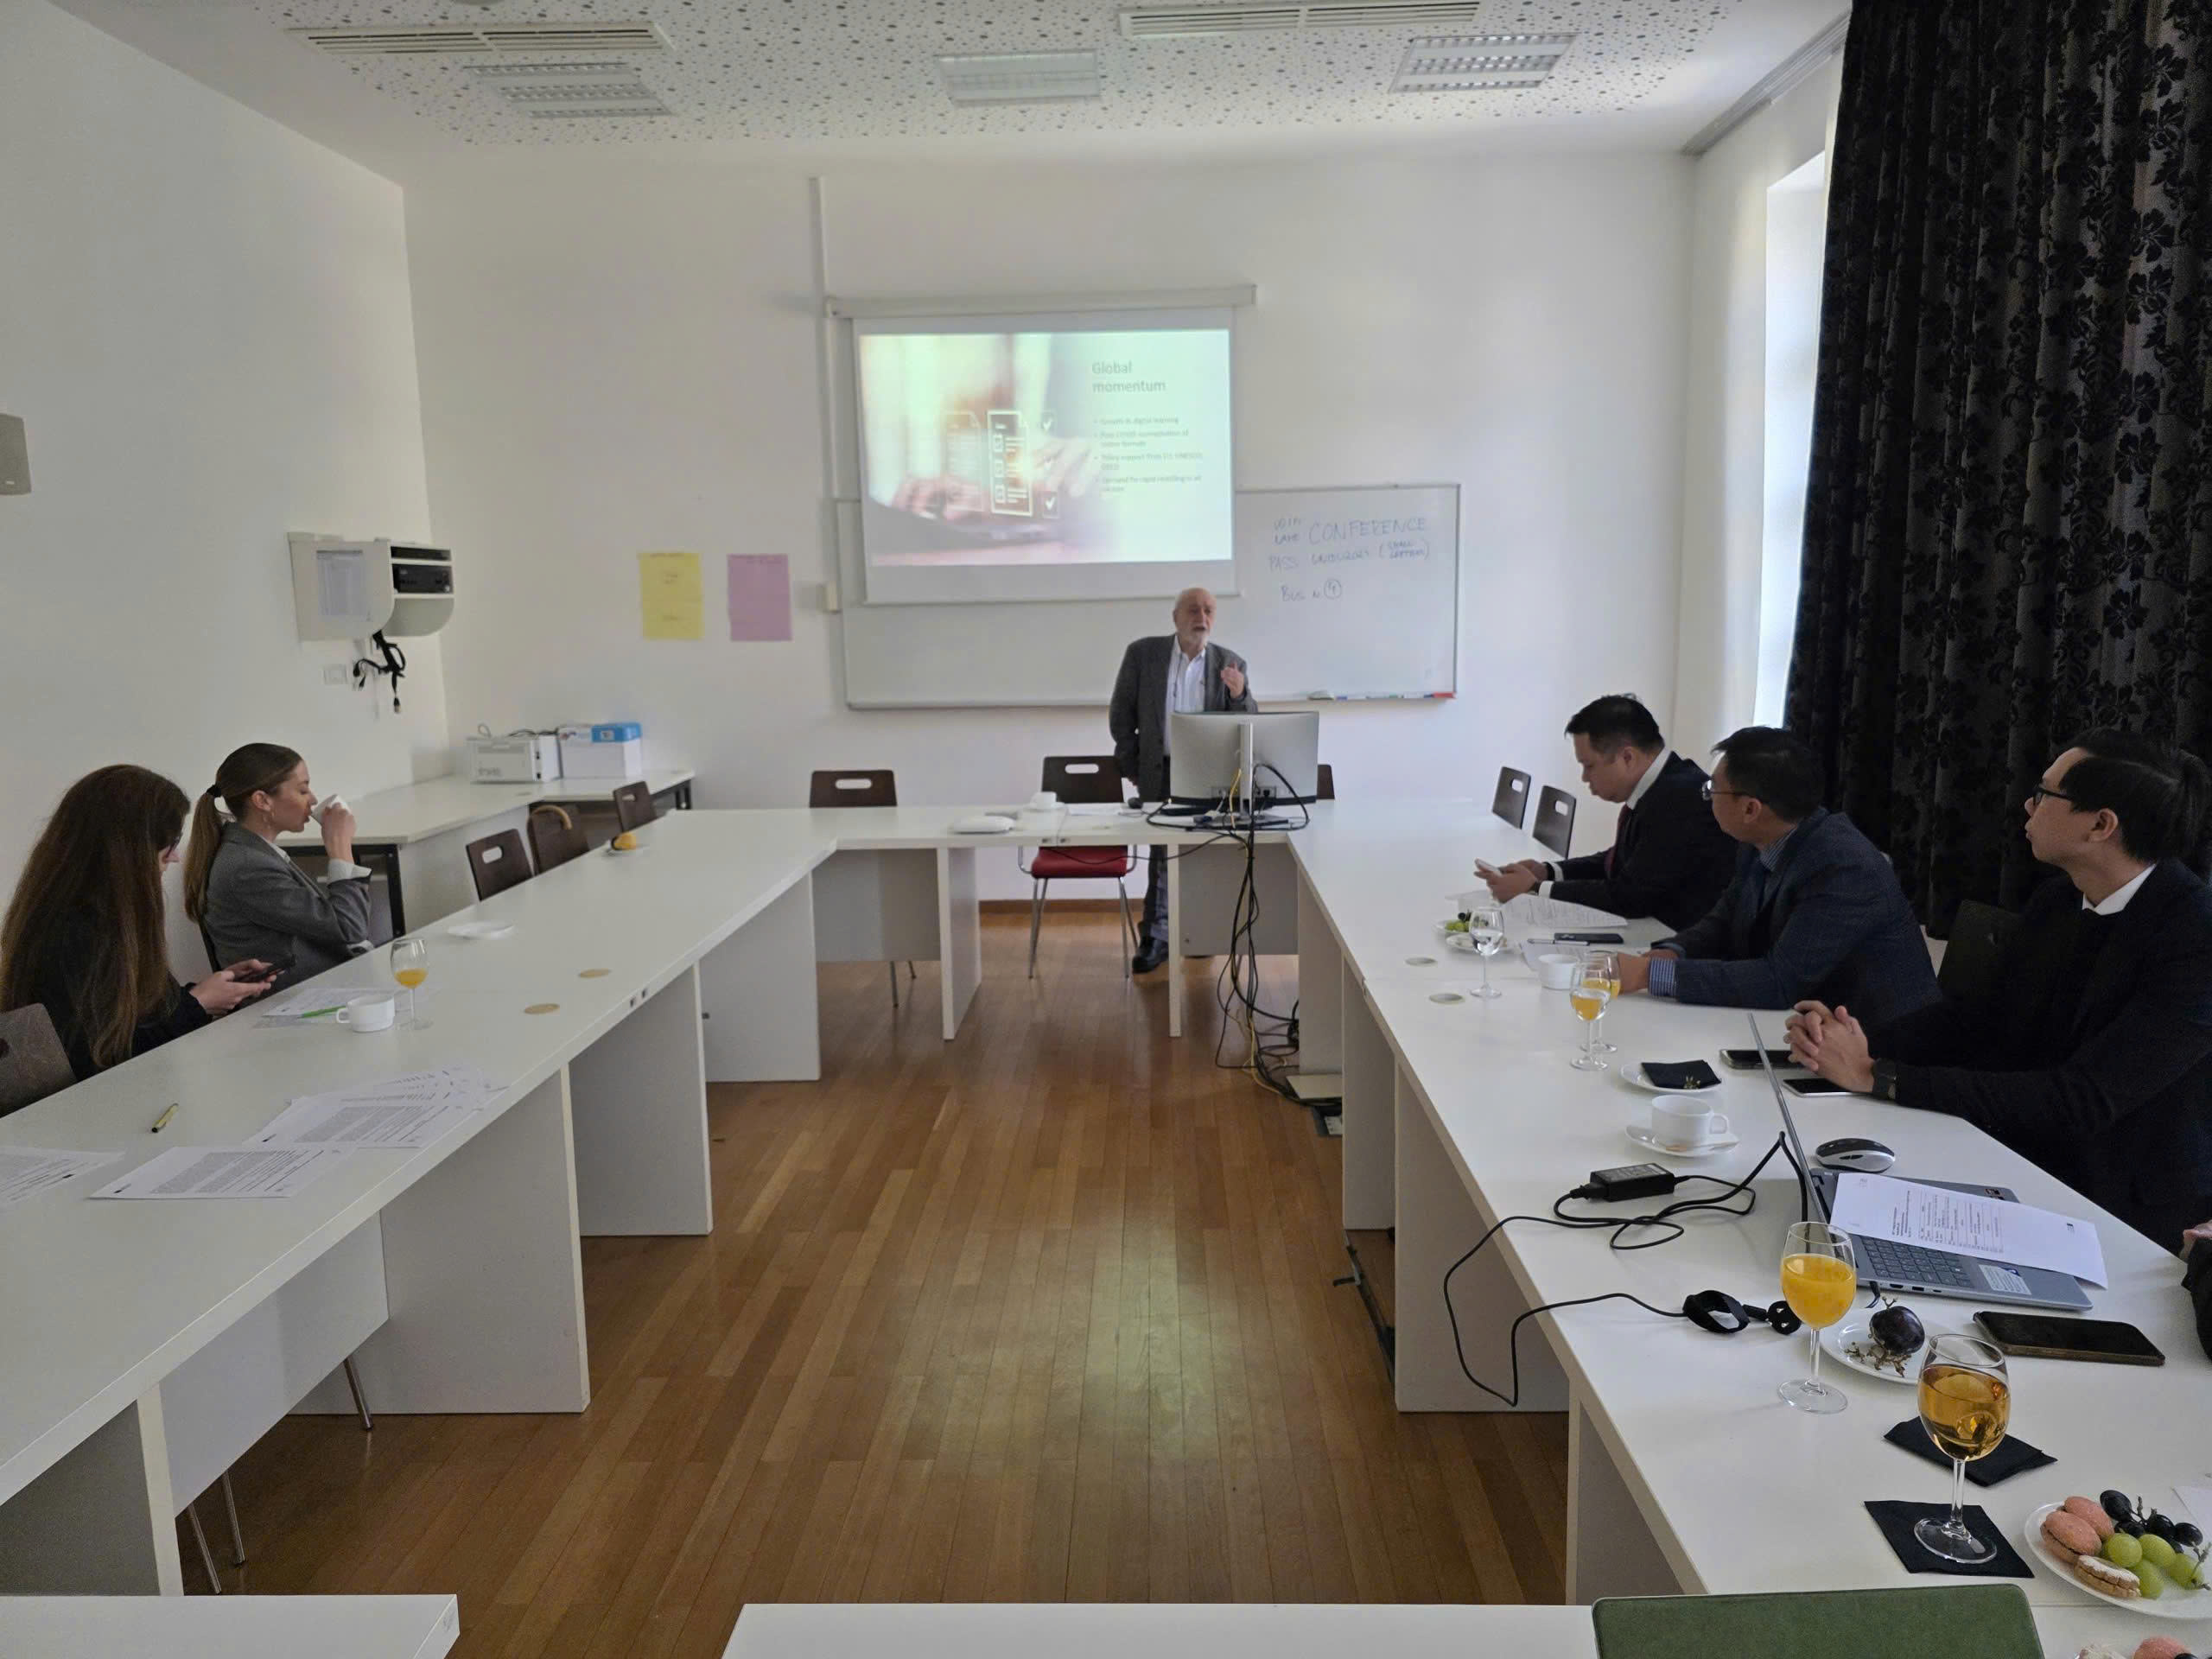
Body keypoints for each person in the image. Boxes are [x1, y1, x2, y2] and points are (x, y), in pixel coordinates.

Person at [1787, 731, 2212, 1252]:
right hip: (2017, 1154)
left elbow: (2084, 1099)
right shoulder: (2058, 901)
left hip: (2120, 1207)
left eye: (2045, 793)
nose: (2028, 805)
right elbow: (1975, 1020)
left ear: (2101, 825)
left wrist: (1879, 1076)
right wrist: (1849, 1039)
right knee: (1816, 1212)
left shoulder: (2195, 936)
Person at [1614, 725, 1939, 1027]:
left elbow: (1780, 982)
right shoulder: (1762, 838)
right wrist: (1674, 952)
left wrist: (1649, 974)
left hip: (1877, 1043)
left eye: (1713, 789)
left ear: (1750, 809)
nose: (1708, 796)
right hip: (1803, 1026)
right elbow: (1724, 920)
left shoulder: (1843, 866)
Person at [0, 766, 271, 1080]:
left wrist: (204, 994)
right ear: (131, 848)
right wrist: (198, 1004)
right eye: (170, 843)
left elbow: (138, 1016)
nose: (175, 857)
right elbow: (107, 1056)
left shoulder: (98, 915)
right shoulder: (75, 930)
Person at [1479, 695, 1736, 929]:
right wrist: (1548, 871)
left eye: (1589, 766)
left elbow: (1630, 896)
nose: (1584, 777)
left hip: (1676, 938)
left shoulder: (1679, 798)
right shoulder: (1663, 782)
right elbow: (1620, 860)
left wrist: (1536, 889)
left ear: (1627, 758)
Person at [1109, 587, 1255, 973]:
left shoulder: (1231, 663)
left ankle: (1197, 933)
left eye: (1208, 611)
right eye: (1193, 610)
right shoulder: (1143, 654)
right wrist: (1133, 766)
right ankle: (1155, 938)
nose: (1201, 618)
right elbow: (1121, 714)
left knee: (1203, 852)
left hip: (1209, 775)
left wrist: (1239, 695)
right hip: (1159, 769)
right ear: (1175, 617)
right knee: (1162, 854)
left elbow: (1248, 721)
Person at [184, 744, 374, 988]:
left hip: (317, 984)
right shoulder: (247, 868)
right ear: (262, 800)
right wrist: (340, 847)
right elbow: (349, 928)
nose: (313, 799)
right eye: (303, 790)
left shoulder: (253, 852)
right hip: (295, 997)